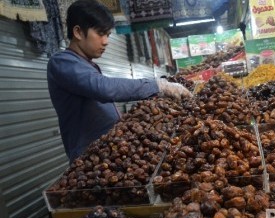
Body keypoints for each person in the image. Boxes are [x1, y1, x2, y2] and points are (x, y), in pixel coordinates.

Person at [47, 0, 191, 162]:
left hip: (111, 153)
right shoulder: (61, 62)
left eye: (107, 35)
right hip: (91, 162)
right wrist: (157, 85)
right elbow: (104, 88)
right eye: (101, 34)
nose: (106, 41)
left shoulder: (87, 64)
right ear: (79, 32)